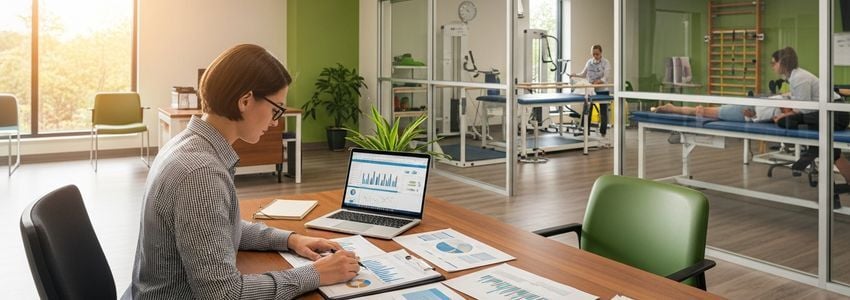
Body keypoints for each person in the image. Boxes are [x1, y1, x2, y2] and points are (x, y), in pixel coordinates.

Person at [123, 44, 360, 299]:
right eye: (276, 109)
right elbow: (224, 294)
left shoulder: (186, 145)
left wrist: (291, 240)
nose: (276, 121)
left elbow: (221, 226)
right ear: (245, 101)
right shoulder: (201, 174)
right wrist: (315, 273)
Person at [769, 46, 850, 185]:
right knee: (834, 152)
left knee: (786, 121)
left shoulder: (799, 78)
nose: (772, 67)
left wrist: (785, 115)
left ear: (782, 63)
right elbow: (801, 102)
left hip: (836, 114)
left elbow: (805, 108)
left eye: (773, 63)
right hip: (827, 112)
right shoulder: (794, 76)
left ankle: (809, 156)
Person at [570, 44, 611, 136]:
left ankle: (603, 132)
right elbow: (583, 74)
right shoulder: (589, 62)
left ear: (601, 53)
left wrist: (598, 81)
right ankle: (586, 131)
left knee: (603, 112)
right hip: (590, 90)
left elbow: (606, 77)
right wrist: (575, 74)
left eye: (597, 54)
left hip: (602, 89)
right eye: (593, 54)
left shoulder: (606, 62)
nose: (595, 56)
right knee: (588, 110)